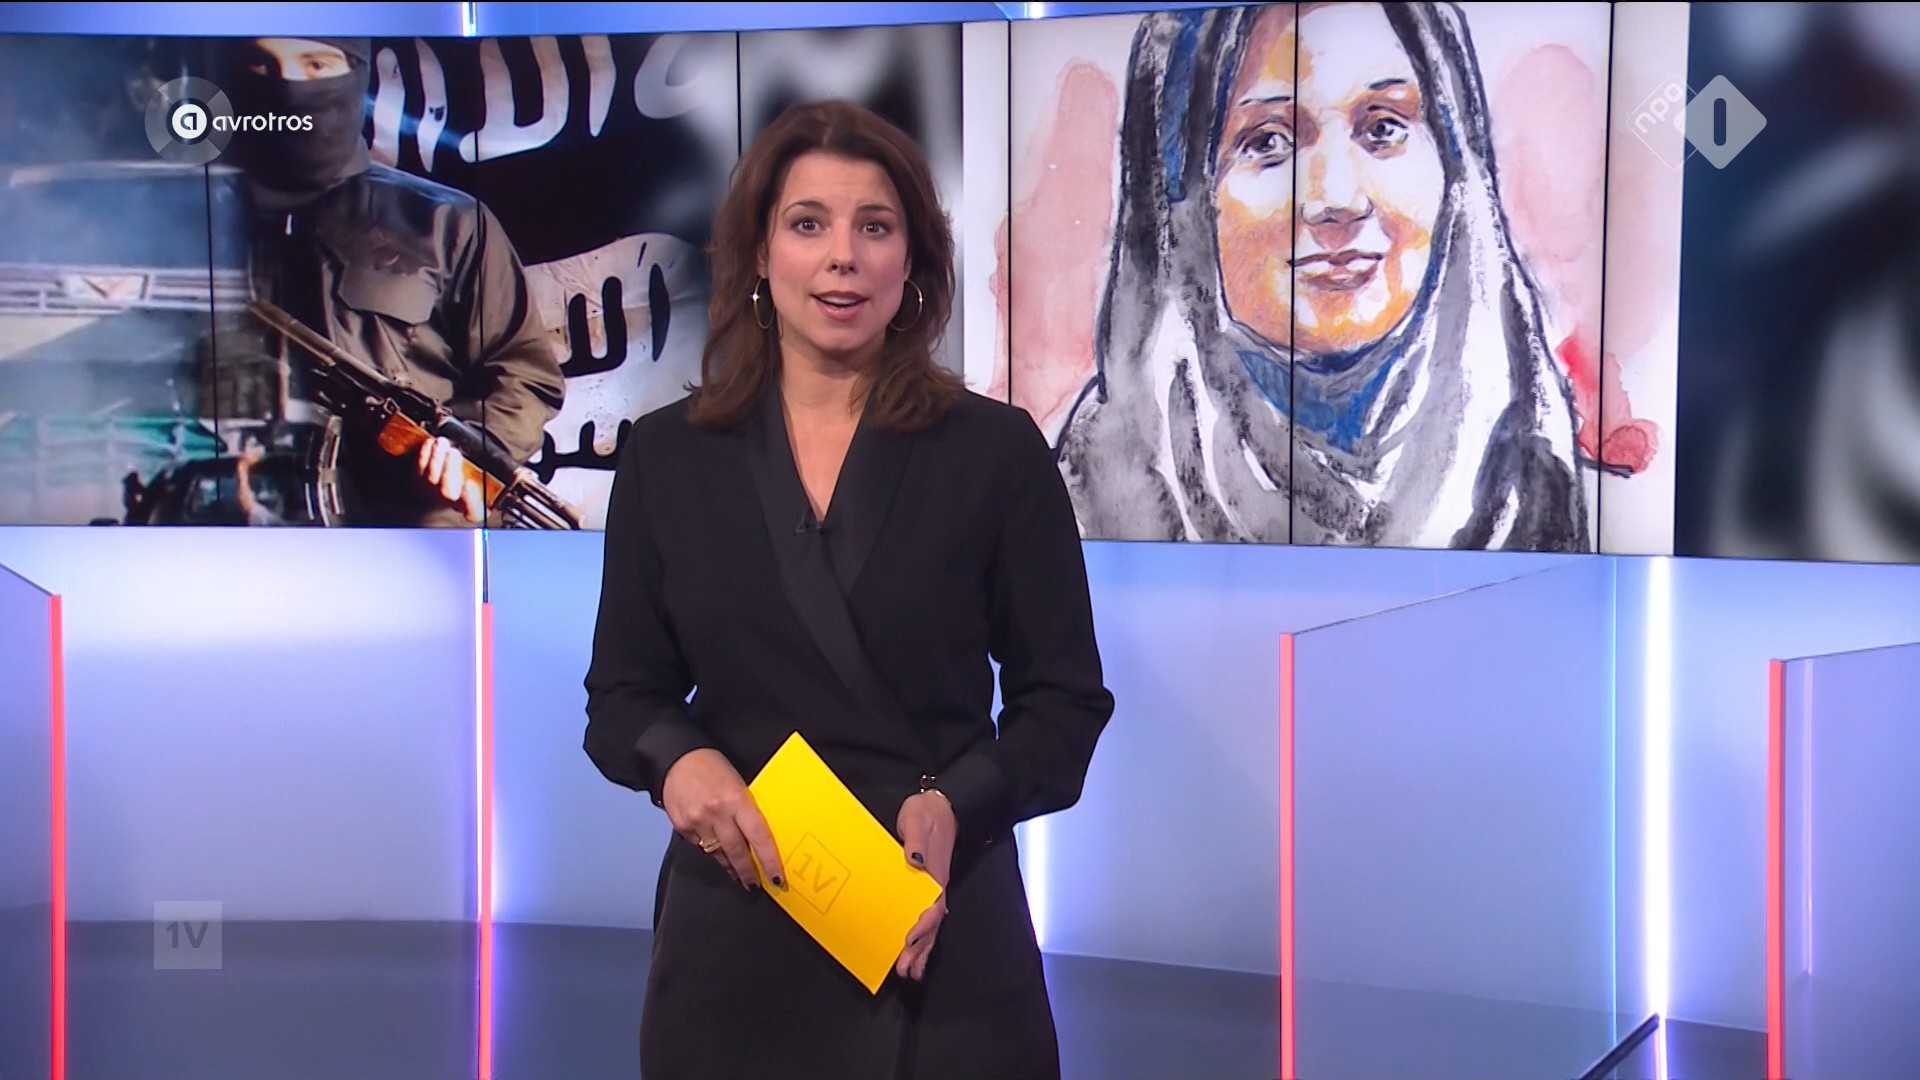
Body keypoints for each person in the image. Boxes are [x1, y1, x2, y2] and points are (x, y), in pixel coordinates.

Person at [582, 100, 1114, 1080]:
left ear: (912, 260)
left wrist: (959, 804)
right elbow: (622, 696)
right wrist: (679, 765)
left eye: (875, 226)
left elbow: (1065, 702)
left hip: (940, 936)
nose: (843, 257)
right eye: (808, 224)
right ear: (759, 253)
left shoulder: (996, 454)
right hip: (738, 937)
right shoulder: (667, 458)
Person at [1055, 2, 1591, 552]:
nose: (1336, 198)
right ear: (1181, 201)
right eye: (1267, 141)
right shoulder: (1089, 488)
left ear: (1456, 172)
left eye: (1384, 128)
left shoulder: (1534, 472)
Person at [212, 36, 565, 528]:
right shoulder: (195, 217)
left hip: (410, 529)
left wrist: (467, 449)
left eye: (316, 65)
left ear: (356, 72)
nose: (289, 86)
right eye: (262, 65)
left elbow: (524, 375)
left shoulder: (444, 221)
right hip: (226, 523)